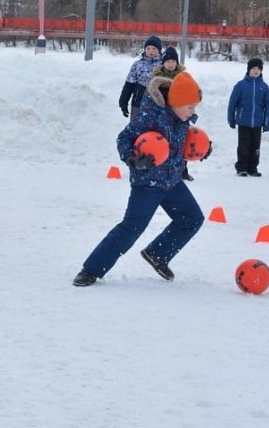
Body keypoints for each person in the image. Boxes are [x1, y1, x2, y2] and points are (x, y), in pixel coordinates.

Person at [73, 72, 205, 286]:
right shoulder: (151, 116)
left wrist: (200, 150)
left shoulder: (182, 118)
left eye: (194, 107)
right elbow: (124, 138)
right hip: (148, 182)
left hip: (171, 181)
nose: (193, 112)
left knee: (192, 219)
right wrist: (132, 159)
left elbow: (183, 143)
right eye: (190, 107)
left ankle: (158, 254)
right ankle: (91, 269)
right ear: (176, 102)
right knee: (132, 227)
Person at [151, 46, 212, 181]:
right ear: (163, 63)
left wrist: (203, 146)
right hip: (163, 119)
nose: (171, 64)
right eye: (168, 61)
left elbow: (189, 103)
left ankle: (182, 171)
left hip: (180, 119)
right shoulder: (157, 80)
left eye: (173, 61)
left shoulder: (184, 78)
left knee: (182, 142)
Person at [227, 57, 269, 177]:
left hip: (257, 123)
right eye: (253, 68)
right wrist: (231, 119)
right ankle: (242, 168)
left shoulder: (264, 87)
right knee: (243, 146)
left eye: (258, 68)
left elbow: (268, 106)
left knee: (255, 147)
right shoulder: (241, 86)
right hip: (244, 122)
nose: (256, 71)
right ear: (248, 70)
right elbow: (232, 103)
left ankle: (253, 168)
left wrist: (267, 123)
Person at [119, 35, 162, 121]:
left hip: (158, 105)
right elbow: (129, 85)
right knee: (136, 129)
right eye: (148, 48)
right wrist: (123, 102)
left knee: (155, 131)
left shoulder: (164, 65)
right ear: (145, 49)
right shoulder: (137, 65)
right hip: (138, 103)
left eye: (154, 49)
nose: (151, 51)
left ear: (159, 51)